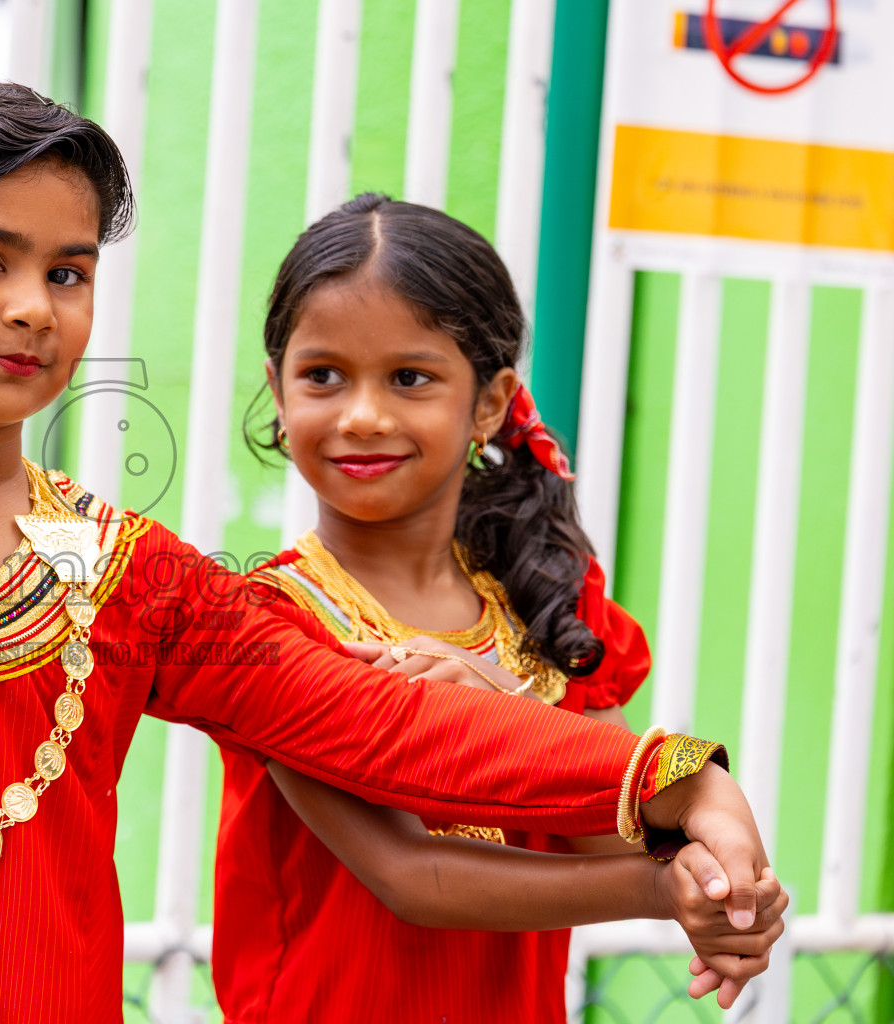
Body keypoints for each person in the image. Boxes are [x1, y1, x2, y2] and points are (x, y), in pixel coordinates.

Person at [0, 78, 771, 1023]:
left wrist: (671, 775)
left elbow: (378, 719)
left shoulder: (131, 579)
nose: (35, 303)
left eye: (68, 270)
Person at [213, 194, 783, 1022]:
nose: (363, 415)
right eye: (323, 376)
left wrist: (713, 886)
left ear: (488, 402)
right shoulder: (269, 625)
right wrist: (661, 887)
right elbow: (412, 876)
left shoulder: (545, 600)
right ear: (277, 390)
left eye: (410, 378)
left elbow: (613, 821)